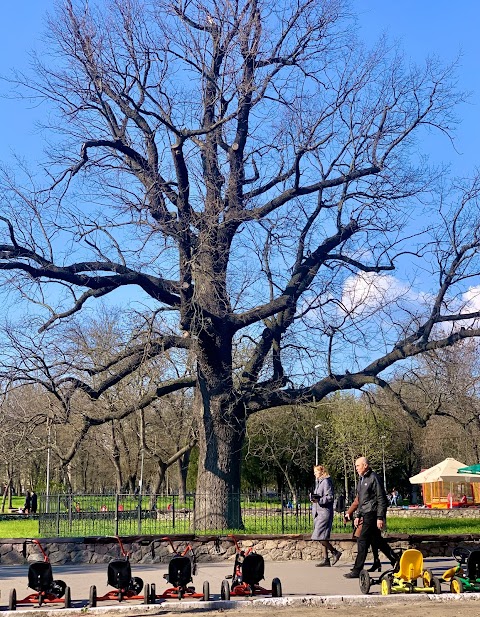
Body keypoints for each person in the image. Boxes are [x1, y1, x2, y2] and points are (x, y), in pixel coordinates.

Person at [343, 456, 396, 579]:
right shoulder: (362, 480)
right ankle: (396, 560)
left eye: (358, 465)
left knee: (362, 540)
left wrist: (380, 517)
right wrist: (358, 515)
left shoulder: (374, 478)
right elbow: (362, 500)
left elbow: (381, 498)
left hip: (372, 514)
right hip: (365, 513)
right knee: (377, 541)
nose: (356, 468)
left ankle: (357, 570)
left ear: (365, 465)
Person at [310, 464, 342, 567]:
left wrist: (319, 500)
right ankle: (326, 559)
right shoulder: (319, 482)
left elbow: (330, 497)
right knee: (323, 536)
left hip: (324, 513)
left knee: (318, 536)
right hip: (318, 513)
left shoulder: (326, 482)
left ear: (321, 471)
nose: (314, 473)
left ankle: (335, 552)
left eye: (316, 471)